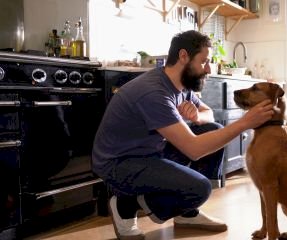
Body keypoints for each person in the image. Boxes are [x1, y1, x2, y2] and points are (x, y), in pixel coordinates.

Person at [92, 30, 274, 240]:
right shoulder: (153, 93)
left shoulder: (181, 86)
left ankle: (186, 213)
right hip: (118, 163)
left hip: (149, 152)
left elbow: (209, 113)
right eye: (204, 61)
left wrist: (197, 116)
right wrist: (245, 122)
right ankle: (125, 203)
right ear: (184, 57)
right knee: (199, 188)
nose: (208, 68)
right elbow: (194, 149)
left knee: (212, 128)